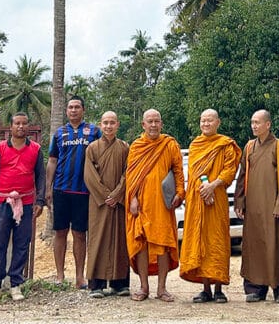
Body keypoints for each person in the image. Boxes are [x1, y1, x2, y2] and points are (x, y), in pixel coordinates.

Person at [234, 109, 279, 304]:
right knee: (254, 247)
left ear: (268, 125)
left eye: (257, 122)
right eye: (252, 122)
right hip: (253, 208)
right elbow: (242, 176)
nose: (254, 126)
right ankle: (256, 289)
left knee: (277, 245)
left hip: (273, 208)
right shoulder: (249, 147)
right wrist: (240, 201)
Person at [0, 112, 45, 303]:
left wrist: (40, 201)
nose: (21, 127)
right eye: (17, 123)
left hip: (26, 204)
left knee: (22, 244)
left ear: (28, 127)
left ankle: (16, 284)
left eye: (24, 124)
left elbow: (41, 177)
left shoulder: (35, 149)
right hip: (2, 203)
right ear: (10, 127)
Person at [180, 108, 241, 304]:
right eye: (203, 121)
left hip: (217, 200)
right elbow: (194, 175)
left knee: (217, 242)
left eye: (210, 121)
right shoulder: (196, 145)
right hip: (198, 201)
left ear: (218, 122)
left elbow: (230, 170)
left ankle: (219, 288)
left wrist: (213, 186)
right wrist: (203, 189)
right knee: (200, 242)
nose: (206, 124)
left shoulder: (225, 144)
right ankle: (205, 288)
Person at [125, 108, 185, 302]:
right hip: (141, 204)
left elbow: (178, 170)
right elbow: (131, 176)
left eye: (156, 121)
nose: (153, 125)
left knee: (163, 244)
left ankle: (162, 288)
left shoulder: (169, 144)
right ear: (143, 125)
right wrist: (132, 198)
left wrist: (180, 193)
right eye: (149, 121)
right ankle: (143, 287)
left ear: (161, 124)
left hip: (162, 204)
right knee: (141, 243)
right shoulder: (137, 146)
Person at [46, 95, 101, 288]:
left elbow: (102, 159)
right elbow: (52, 161)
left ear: (83, 110)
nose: (73, 110)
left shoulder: (94, 132)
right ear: (66, 111)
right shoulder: (59, 133)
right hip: (61, 190)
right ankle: (60, 276)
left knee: (80, 234)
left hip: (84, 192)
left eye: (77, 107)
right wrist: (48, 188)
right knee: (60, 232)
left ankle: (80, 277)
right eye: (70, 107)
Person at [82, 111, 131, 298]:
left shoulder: (125, 147)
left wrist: (118, 194)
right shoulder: (92, 148)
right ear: (100, 125)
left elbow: (128, 173)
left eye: (112, 122)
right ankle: (96, 284)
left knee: (120, 240)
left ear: (118, 124)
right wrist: (105, 196)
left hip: (119, 202)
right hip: (99, 202)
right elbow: (89, 175)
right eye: (105, 123)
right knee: (97, 240)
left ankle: (120, 284)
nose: (109, 126)